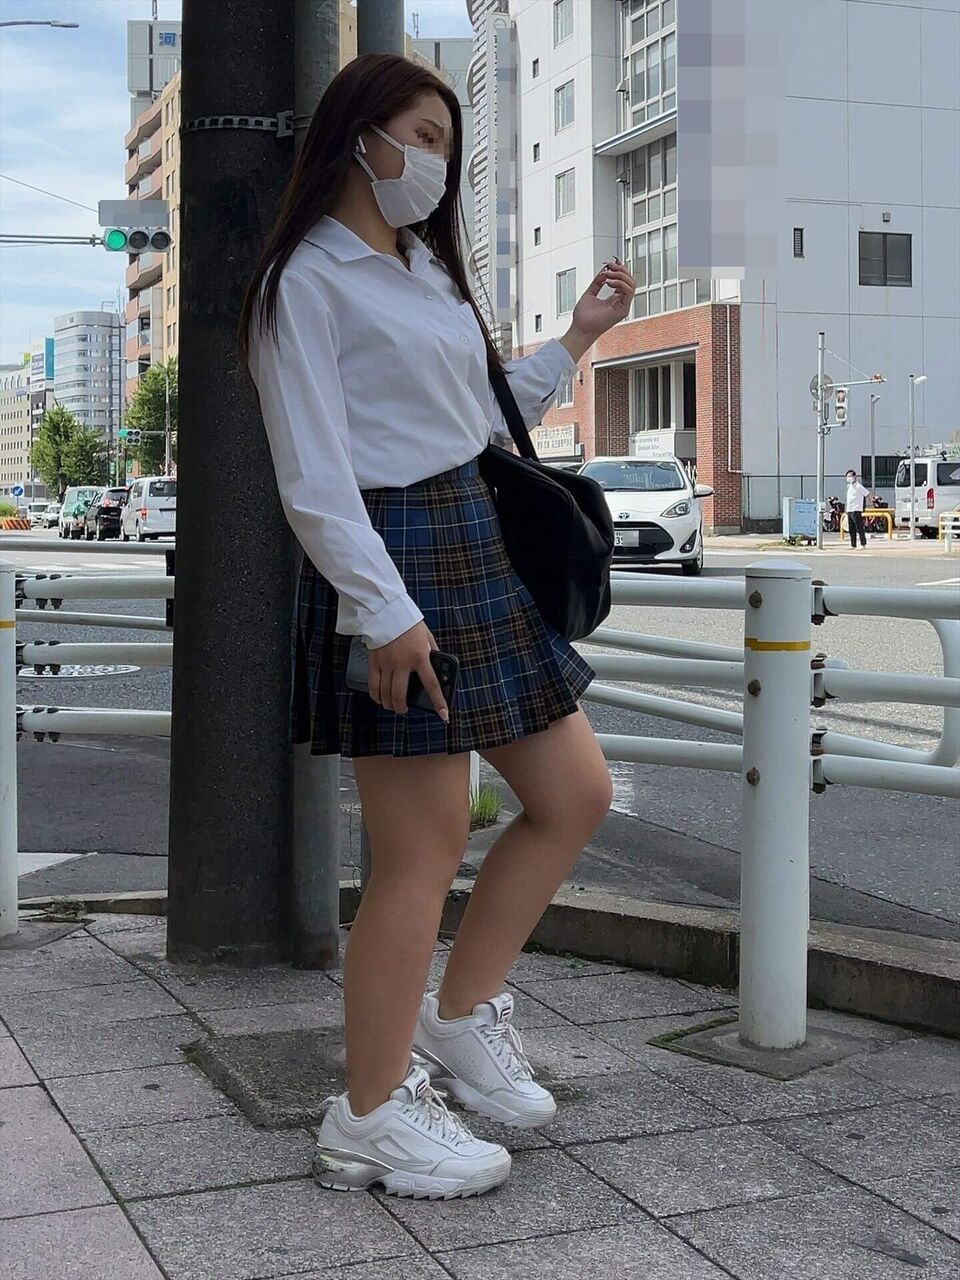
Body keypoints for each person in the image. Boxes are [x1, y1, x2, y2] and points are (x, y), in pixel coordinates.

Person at [239, 53, 635, 1200]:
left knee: (575, 794)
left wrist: (578, 338)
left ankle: (461, 1016)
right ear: (358, 136)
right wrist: (384, 615)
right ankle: (368, 1111)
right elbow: (313, 475)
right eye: (421, 136)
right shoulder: (303, 282)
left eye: (446, 146)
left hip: (472, 537)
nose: (435, 163)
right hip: (393, 559)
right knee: (420, 850)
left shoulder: (424, 268)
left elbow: (478, 414)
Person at [845, 469, 869, 547]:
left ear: (855, 476)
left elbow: (867, 494)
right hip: (850, 509)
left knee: (859, 528)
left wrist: (871, 502)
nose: (849, 478)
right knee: (851, 529)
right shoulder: (849, 486)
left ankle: (863, 544)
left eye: (850, 476)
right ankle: (853, 544)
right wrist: (847, 509)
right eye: (847, 476)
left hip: (856, 509)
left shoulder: (859, 486)